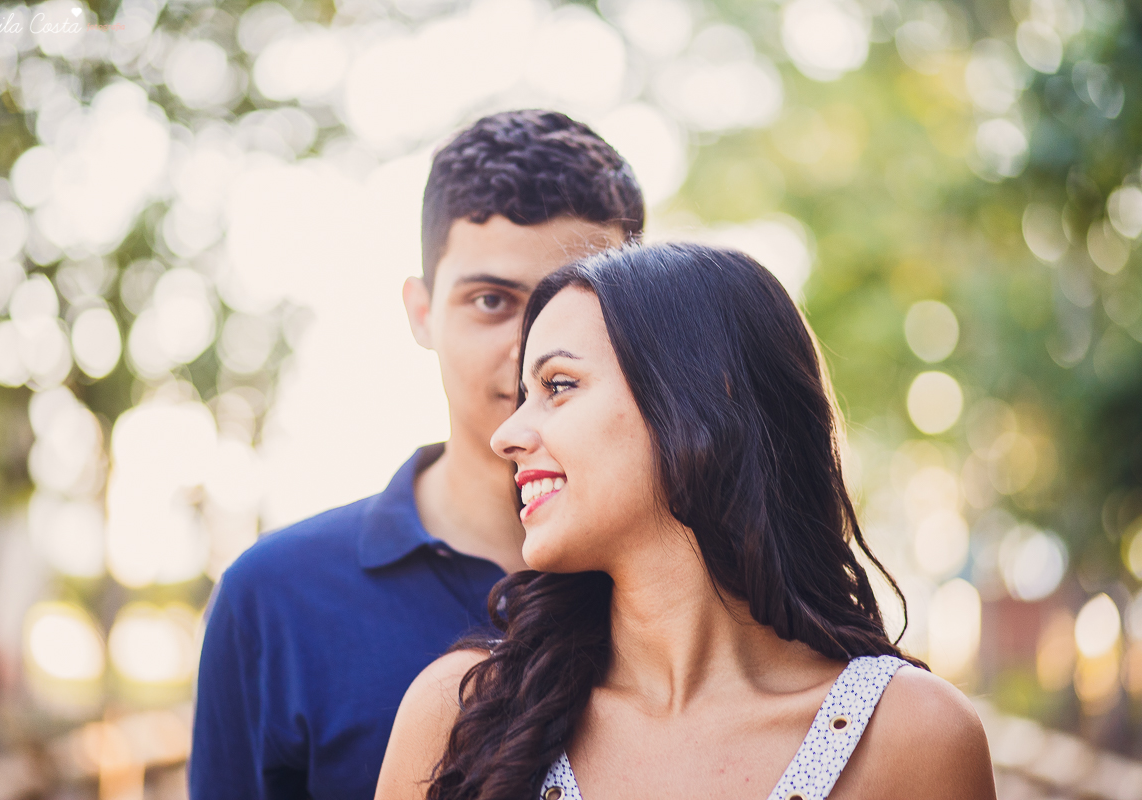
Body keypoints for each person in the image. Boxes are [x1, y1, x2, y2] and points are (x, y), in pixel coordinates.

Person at [375, 243, 998, 800]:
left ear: (704, 400)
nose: (507, 436)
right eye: (522, 397)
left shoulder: (912, 735)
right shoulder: (462, 714)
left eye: (559, 385)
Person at [188, 110, 645, 800]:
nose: (531, 347)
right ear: (422, 311)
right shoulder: (275, 597)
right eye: (491, 301)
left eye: (575, 303)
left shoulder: (692, 583)